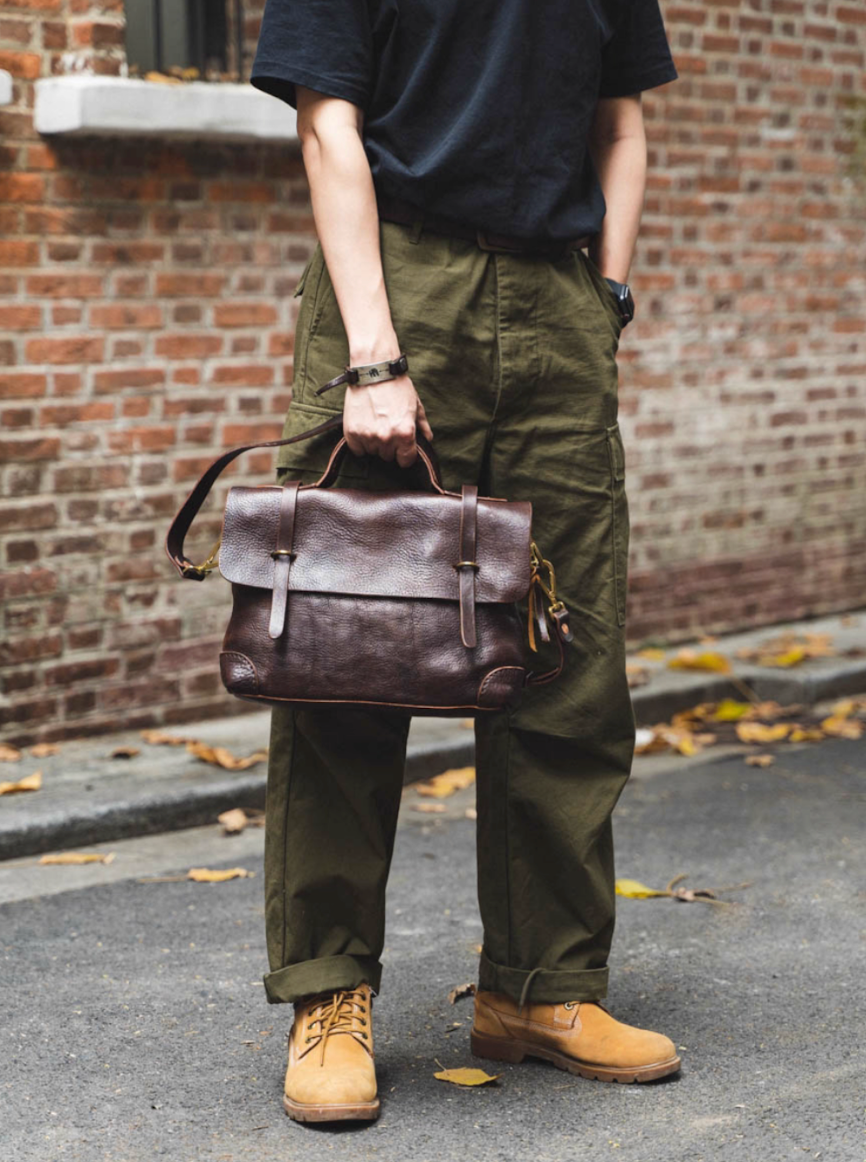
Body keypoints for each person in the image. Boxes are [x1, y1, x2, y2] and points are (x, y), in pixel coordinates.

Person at [250, 0, 680, 1124]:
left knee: (565, 659)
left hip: (557, 305)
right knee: (348, 651)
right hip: (398, 284)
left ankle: (542, 988)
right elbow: (326, 123)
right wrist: (371, 356)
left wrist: (605, 297)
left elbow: (620, 123)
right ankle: (328, 991)